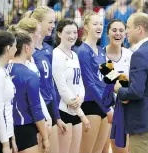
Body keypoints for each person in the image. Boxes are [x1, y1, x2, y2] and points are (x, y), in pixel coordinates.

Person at [114, 12, 148, 153]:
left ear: (140, 28)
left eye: (128, 27)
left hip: (143, 123)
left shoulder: (140, 53)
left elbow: (136, 92)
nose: (126, 31)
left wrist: (119, 90)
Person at [25, 7, 68, 153]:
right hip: (35, 112)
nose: (53, 26)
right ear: (38, 23)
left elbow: (50, 84)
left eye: (54, 22)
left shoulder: (48, 49)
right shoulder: (27, 51)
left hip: (49, 108)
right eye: (50, 22)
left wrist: (57, 116)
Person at [6, 28, 50, 153]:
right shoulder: (30, 75)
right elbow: (36, 109)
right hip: (25, 129)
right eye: (32, 45)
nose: (34, 48)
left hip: (5, 130)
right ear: (26, 47)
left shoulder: (2, 69)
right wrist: (45, 137)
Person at [52, 18, 90, 153]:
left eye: (74, 32)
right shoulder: (56, 54)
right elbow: (61, 85)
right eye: (68, 32)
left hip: (76, 108)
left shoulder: (74, 54)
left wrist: (81, 98)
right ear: (59, 34)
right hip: (64, 110)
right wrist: (82, 114)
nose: (72, 36)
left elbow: (80, 82)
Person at [77, 12, 112, 153]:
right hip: (91, 105)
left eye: (101, 24)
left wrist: (124, 94)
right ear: (86, 26)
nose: (99, 27)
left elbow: (111, 77)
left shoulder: (102, 51)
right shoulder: (83, 51)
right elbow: (90, 84)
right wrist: (108, 107)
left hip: (104, 104)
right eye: (95, 23)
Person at [104, 19, 133, 153]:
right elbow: (109, 82)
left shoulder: (130, 55)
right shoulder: (101, 55)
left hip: (127, 106)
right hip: (107, 108)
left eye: (121, 31)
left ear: (126, 34)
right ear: (107, 33)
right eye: (114, 30)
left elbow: (133, 81)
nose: (118, 34)